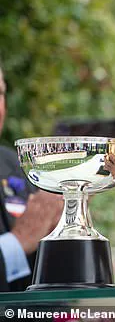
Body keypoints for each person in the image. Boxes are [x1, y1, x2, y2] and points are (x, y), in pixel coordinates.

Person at [0, 64, 63, 292]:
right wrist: (17, 243)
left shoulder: (12, 164)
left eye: (0, 92)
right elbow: (23, 240)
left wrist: (63, 236)